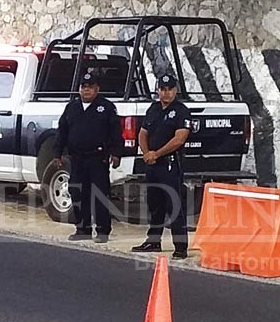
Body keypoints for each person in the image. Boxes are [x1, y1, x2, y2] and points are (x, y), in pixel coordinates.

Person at [53, 72, 123, 243]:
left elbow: (116, 133)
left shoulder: (106, 107)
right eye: (83, 87)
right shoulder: (72, 107)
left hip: (98, 158)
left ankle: (102, 230)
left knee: (99, 194)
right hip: (77, 158)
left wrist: (116, 153)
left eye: (90, 87)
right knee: (77, 192)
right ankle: (82, 228)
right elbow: (62, 131)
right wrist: (57, 153)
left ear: (97, 89)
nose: (86, 90)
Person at [131, 74, 192, 259]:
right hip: (152, 163)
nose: (166, 93)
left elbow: (179, 138)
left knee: (174, 204)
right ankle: (153, 240)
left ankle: (180, 246)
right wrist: (146, 152)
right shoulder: (154, 109)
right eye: (162, 89)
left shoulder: (181, 111)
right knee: (154, 203)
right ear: (158, 90)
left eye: (170, 89)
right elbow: (142, 133)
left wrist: (156, 153)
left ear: (175, 90)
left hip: (169, 163)